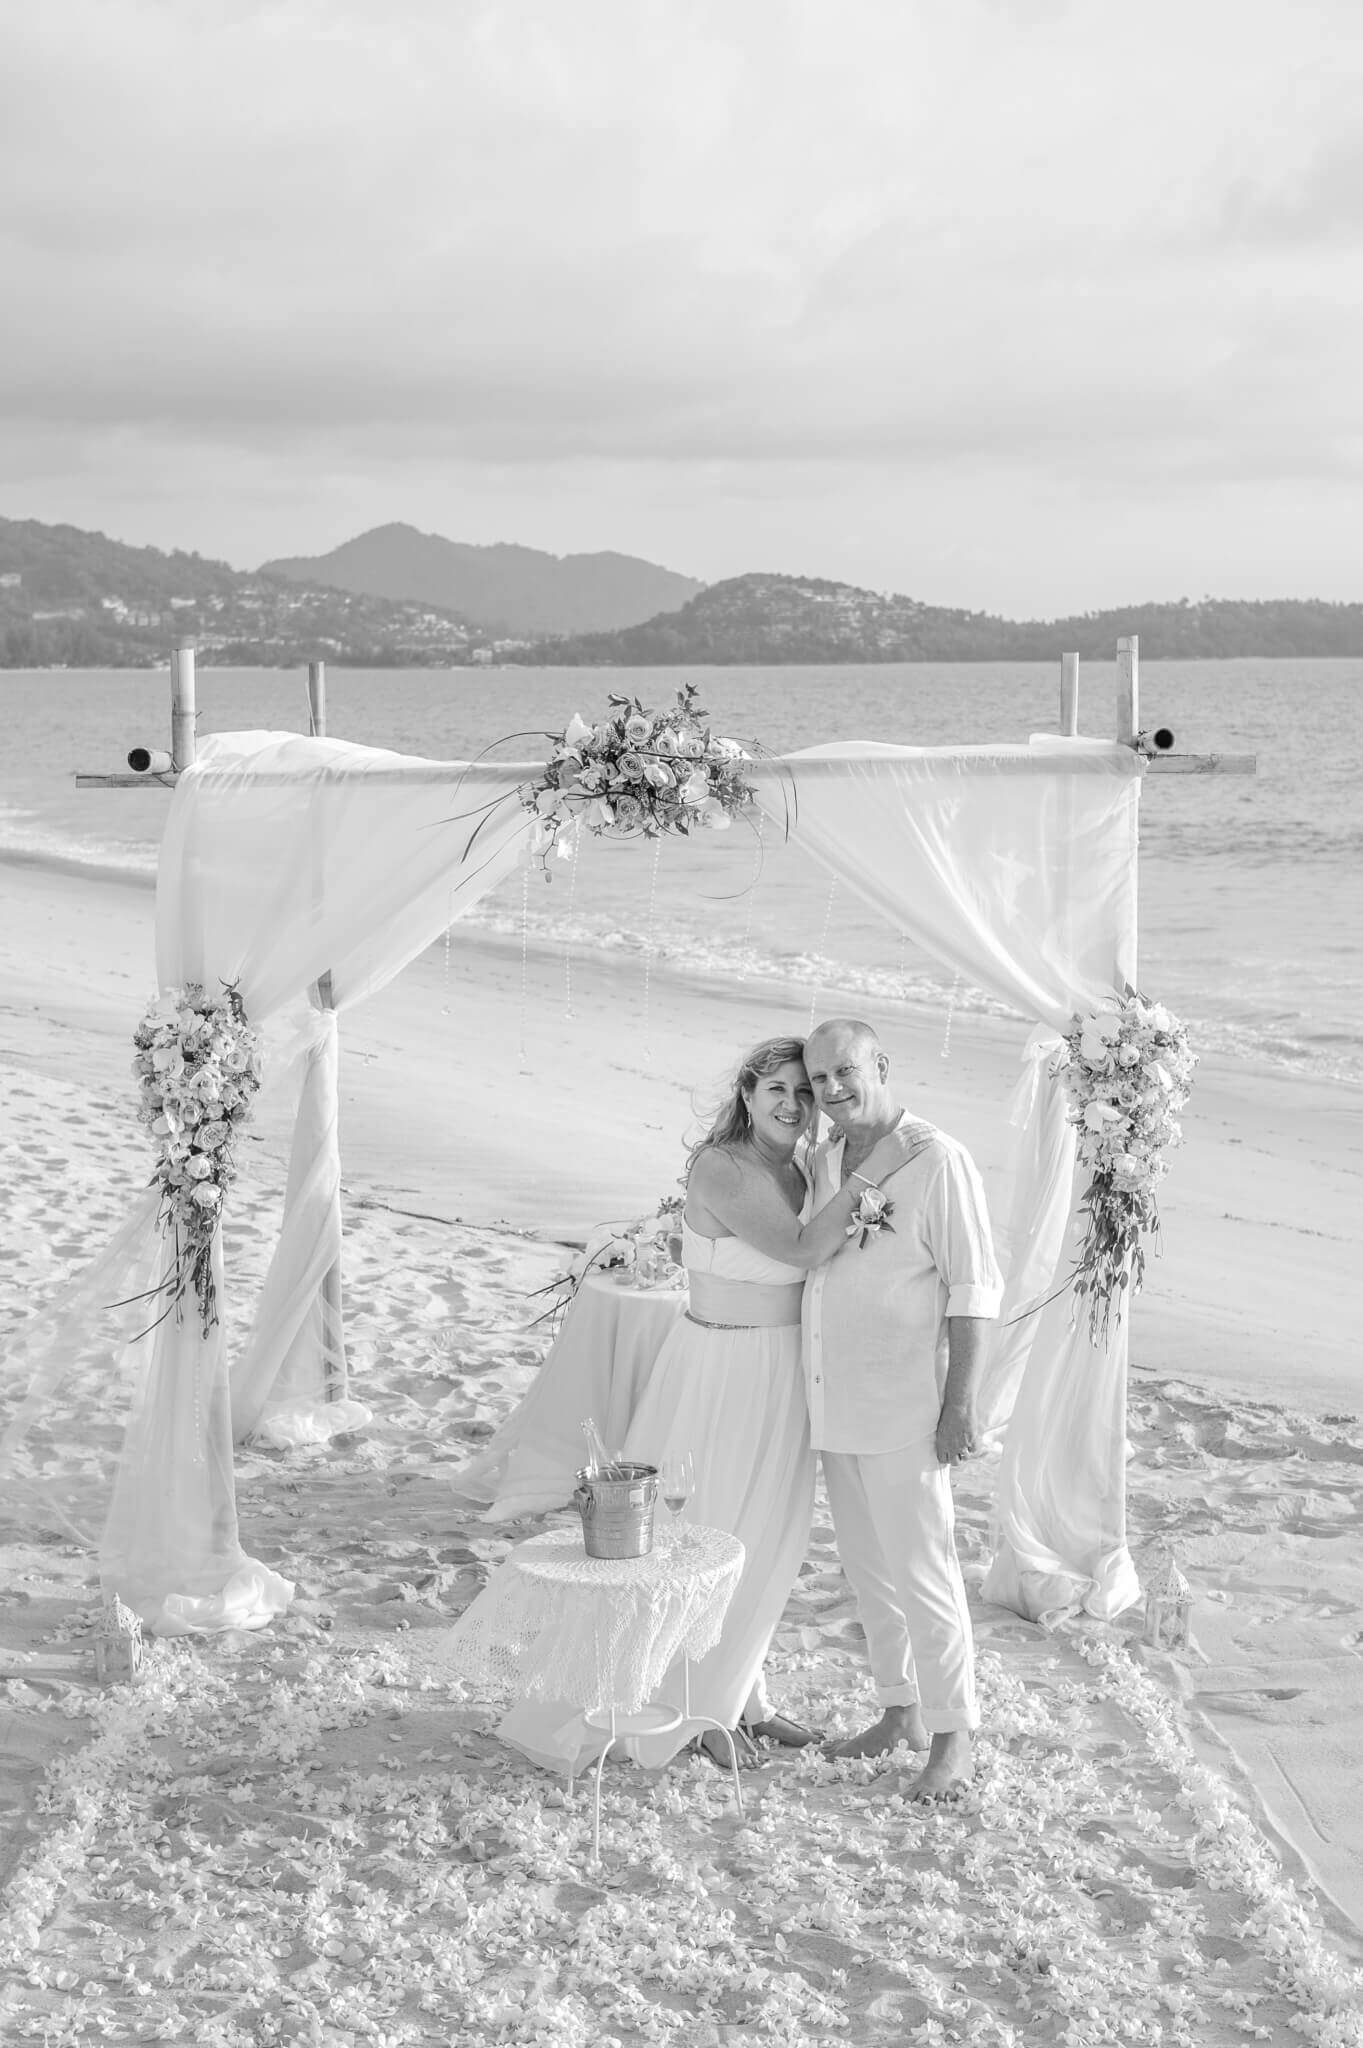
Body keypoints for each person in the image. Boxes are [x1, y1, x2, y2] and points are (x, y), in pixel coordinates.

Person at [497, 1034, 920, 1776]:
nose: (793, 1103)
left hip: (785, 1372)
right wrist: (876, 1170)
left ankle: (738, 1696)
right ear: (746, 1096)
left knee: (767, 1542)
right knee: (700, 1536)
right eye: (776, 1089)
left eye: (804, 1090)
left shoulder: (802, 1167)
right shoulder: (721, 1167)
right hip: (720, 1369)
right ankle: (684, 1710)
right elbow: (799, 1250)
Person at [802, 1017, 1003, 1801]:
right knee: (868, 1571)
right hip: (833, 1400)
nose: (832, 1088)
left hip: (904, 1406)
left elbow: (972, 1289)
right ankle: (899, 1712)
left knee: (924, 1575)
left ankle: (954, 1739)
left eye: (845, 1071)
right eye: (819, 1078)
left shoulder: (937, 1159)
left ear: (880, 1065)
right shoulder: (824, 1159)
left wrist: (960, 1404)